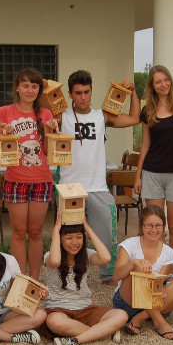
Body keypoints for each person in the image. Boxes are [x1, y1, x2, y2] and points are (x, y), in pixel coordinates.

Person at [57, 70, 141, 283]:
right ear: (70, 94)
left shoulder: (102, 116)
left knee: (106, 236)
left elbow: (134, 118)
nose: (83, 97)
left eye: (86, 92)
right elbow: (39, 110)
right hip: (69, 188)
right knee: (69, 237)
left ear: (92, 92)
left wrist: (132, 92)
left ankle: (108, 275)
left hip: (98, 188)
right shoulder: (61, 117)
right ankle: (68, 277)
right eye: (78, 93)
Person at [0, 67, 59, 279]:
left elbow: (49, 151)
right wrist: (5, 136)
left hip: (41, 180)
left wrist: (51, 130)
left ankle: (35, 280)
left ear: (39, 89)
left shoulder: (46, 114)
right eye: (26, 85)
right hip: (15, 179)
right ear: (17, 88)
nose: (30, 90)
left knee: (37, 232)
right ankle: (21, 280)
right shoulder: (3, 113)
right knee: (19, 233)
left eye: (34, 86)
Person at [134, 65, 173, 268]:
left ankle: (172, 270)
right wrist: (138, 177)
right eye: (158, 82)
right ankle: (156, 269)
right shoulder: (148, 111)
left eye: (166, 80)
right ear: (152, 86)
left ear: (171, 81)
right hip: (152, 173)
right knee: (155, 226)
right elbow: (145, 145)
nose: (163, 85)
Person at [41, 210, 128, 345]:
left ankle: (74, 340)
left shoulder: (86, 254)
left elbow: (106, 258)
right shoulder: (50, 255)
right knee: (53, 321)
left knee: (121, 315)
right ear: (60, 238)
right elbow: (55, 261)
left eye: (79, 237)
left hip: (85, 309)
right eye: (69, 237)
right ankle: (103, 333)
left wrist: (87, 227)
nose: (74, 242)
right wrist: (56, 229)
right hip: (60, 310)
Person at [112, 205, 173, 340]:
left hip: (153, 304)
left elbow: (159, 283)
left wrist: (160, 292)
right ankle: (160, 323)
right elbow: (116, 276)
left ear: (163, 227)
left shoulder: (168, 252)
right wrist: (132, 264)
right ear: (142, 226)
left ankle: (140, 318)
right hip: (127, 302)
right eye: (149, 225)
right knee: (139, 269)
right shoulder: (129, 244)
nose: (154, 230)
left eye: (158, 226)